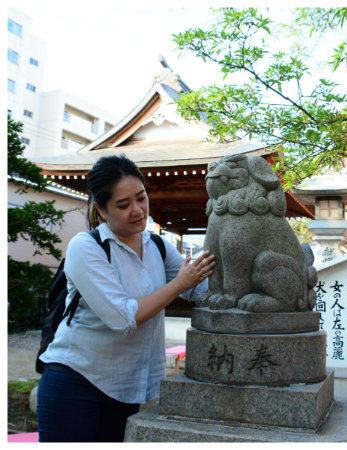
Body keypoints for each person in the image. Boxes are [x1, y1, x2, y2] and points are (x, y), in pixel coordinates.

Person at [37, 155, 215, 442]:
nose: (137, 210)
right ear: (101, 210)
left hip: (126, 388)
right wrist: (181, 282)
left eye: (141, 198)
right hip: (75, 383)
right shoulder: (86, 247)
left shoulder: (156, 244)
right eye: (123, 205)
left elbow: (198, 290)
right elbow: (123, 318)